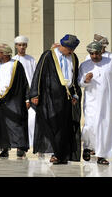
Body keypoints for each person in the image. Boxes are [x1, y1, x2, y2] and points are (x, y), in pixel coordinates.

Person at [29, 34, 82, 164]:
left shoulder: (73, 57)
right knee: (52, 125)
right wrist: (35, 94)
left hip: (67, 98)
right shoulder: (48, 55)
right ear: (63, 46)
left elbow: (74, 77)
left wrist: (75, 94)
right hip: (50, 97)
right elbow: (38, 74)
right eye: (69, 49)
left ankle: (60, 155)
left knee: (65, 127)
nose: (71, 52)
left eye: (73, 49)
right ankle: (56, 153)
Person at [79, 41, 112, 165]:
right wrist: (86, 79)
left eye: (96, 53)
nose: (94, 56)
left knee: (104, 127)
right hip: (91, 101)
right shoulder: (85, 65)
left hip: (106, 102)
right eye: (92, 54)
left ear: (101, 51)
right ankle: (88, 147)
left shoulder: (110, 62)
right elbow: (79, 82)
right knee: (90, 125)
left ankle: (102, 155)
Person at [0, 44, 29, 158]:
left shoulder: (16, 65)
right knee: (2, 125)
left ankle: (20, 148)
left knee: (17, 124)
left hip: (15, 100)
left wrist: (27, 99)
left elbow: (24, 83)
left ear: (4, 54)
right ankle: (5, 148)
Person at [12, 35, 37, 150]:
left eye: (23, 45)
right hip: (18, 95)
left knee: (31, 120)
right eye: (19, 45)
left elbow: (35, 78)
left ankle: (30, 143)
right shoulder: (13, 60)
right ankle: (20, 147)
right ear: (16, 46)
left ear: (26, 46)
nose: (22, 47)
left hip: (31, 95)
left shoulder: (31, 60)